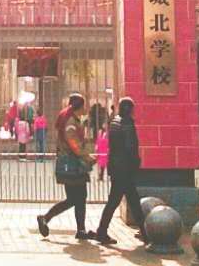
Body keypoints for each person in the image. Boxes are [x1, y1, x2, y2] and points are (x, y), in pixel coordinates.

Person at [37, 93, 95, 240]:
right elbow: (74, 144)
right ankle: (46, 218)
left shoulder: (72, 119)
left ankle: (80, 229)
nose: (85, 109)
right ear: (79, 107)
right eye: (84, 106)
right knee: (75, 198)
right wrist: (87, 157)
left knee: (79, 198)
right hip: (72, 166)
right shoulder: (70, 122)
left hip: (74, 165)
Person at [95, 97, 148, 247]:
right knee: (130, 201)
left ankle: (102, 231)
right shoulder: (127, 124)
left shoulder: (114, 122)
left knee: (117, 201)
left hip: (115, 167)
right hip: (125, 169)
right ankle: (145, 233)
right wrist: (136, 163)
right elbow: (131, 147)